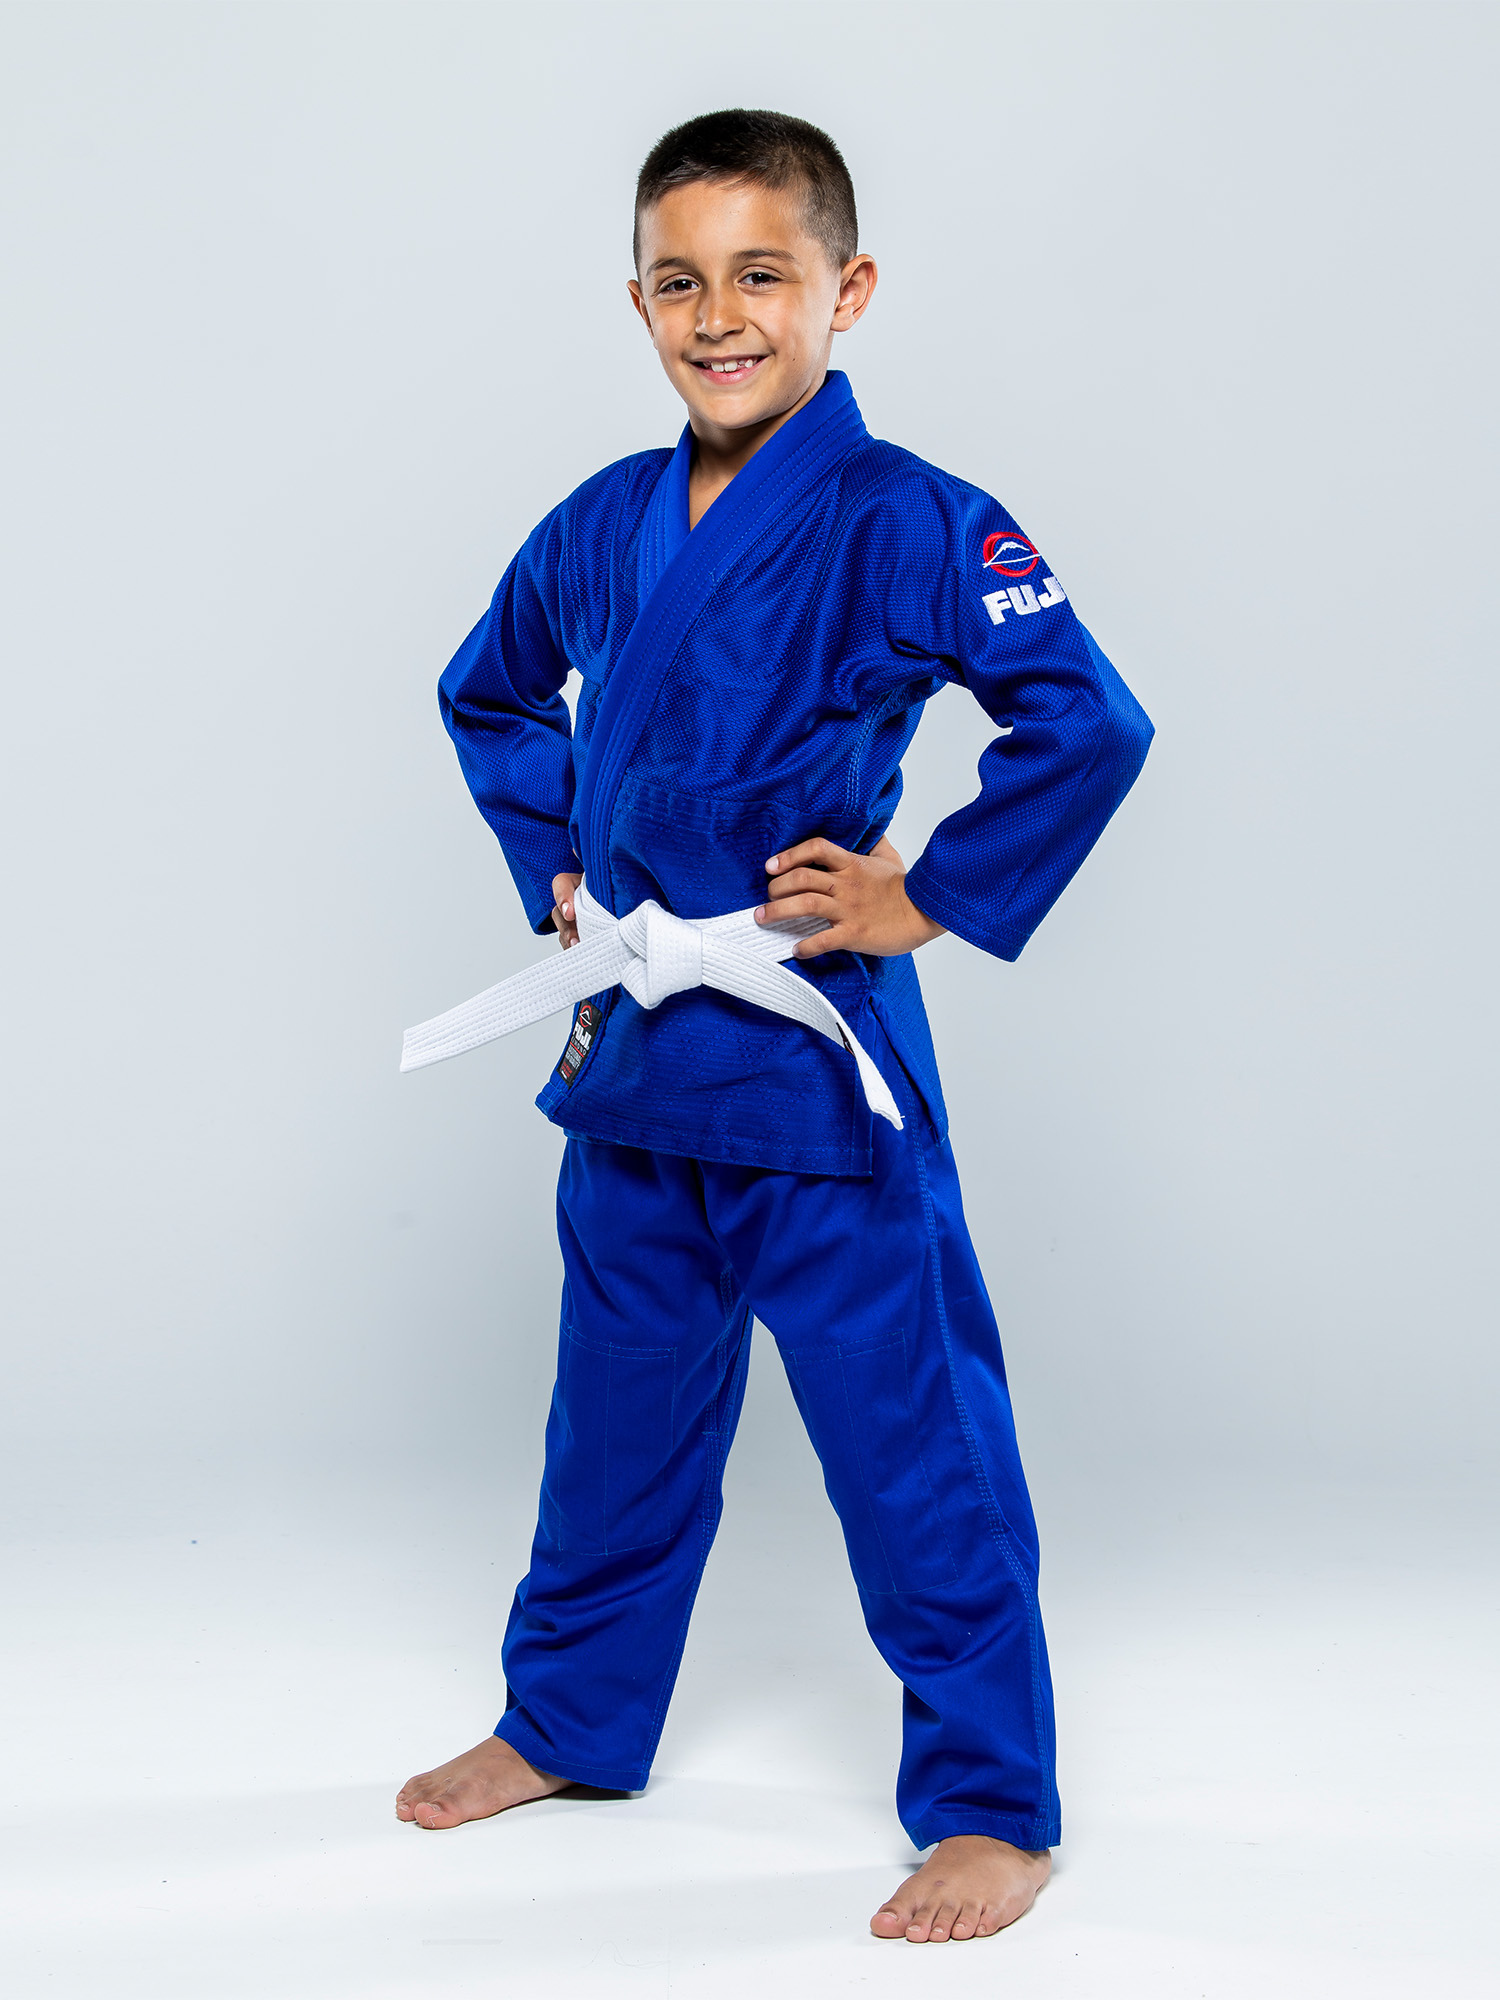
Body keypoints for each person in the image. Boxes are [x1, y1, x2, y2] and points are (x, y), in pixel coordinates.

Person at [395, 108, 1153, 1946]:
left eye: (761, 275)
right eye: (680, 282)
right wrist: (560, 866)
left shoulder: (911, 518)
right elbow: (489, 690)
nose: (719, 315)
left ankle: (990, 1801)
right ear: (638, 303)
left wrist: (928, 895)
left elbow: (1090, 720)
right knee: (614, 1419)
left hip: (812, 1054)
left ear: (846, 289)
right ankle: (571, 1722)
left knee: (911, 1436)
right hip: (640, 1051)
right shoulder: (603, 520)